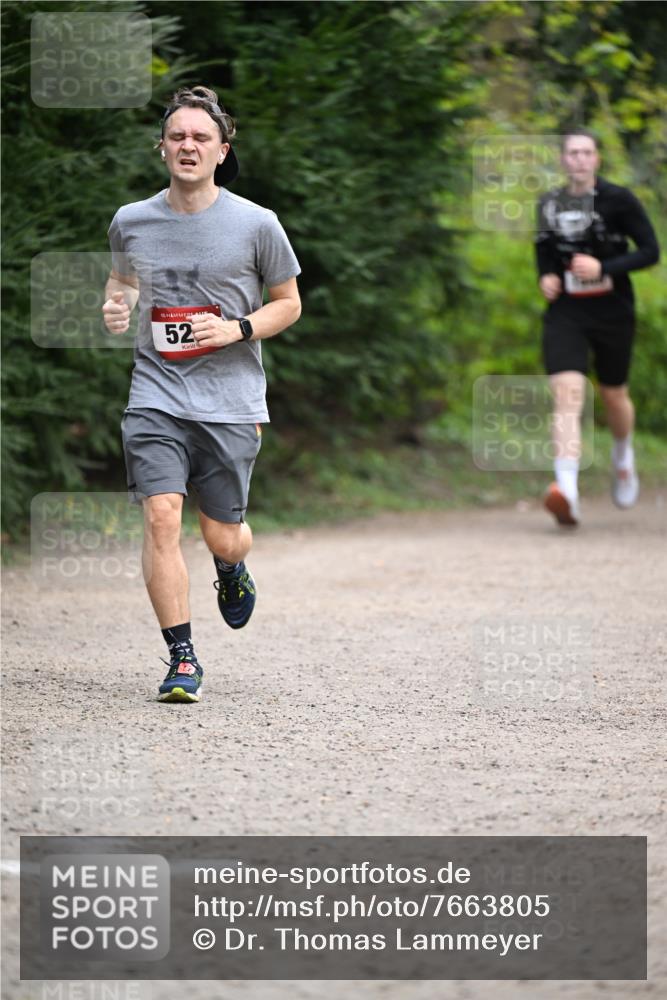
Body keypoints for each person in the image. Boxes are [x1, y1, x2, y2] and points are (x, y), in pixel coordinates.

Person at [102, 85, 301, 702]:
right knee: (162, 516)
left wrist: (236, 328)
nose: (188, 146)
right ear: (161, 147)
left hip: (230, 400)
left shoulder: (256, 224)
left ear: (222, 150)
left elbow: (288, 305)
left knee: (221, 534)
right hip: (156, 393)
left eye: (201, 138)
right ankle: (182, 657)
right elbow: (123, 280)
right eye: (178, 136)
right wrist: (118, 304)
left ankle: (231, 565)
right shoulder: (131, 220)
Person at [535, 127, 659, 527]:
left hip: (612, 310)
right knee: (567, 394)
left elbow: (651, 251)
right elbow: (544, 251)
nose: (580, 159)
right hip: (568, 312)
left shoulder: (619, 200)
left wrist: (605, 267)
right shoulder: (549, 203)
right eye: (572, 153)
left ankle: (623, 455)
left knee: (613, 395)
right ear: (563, 160)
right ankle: (566, 491)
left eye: (587, 152)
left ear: (597, 159)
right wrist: (546, 278)